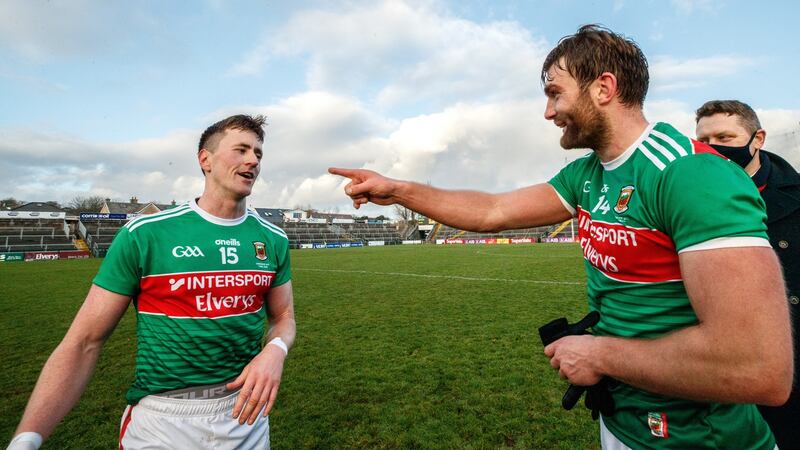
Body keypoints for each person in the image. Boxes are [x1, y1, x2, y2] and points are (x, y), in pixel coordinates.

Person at [329, 25, 792, 449]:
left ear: (604, 88)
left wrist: (601, 354)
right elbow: (494, 210)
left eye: (555, 93)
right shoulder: (586, 175)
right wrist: (398, 189)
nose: (548, 111)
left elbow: (757, 367)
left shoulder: (690, 174)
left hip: (700, 440)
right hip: (623, 423)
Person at [6, 114, 295, 450]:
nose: (252, 161)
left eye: (258, 153)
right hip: (163, 421)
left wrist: (275, 350)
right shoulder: (145, 234)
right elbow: (84, 341)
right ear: (206, 159)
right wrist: (26, 439)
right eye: (241, 150)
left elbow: (284, 317)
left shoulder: (273, 238)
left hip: (246, 417)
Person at [696, 100, 800, 450]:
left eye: (724, 136)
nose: (712, 148)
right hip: (720, 364)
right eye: (704, 140)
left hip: (787, 359)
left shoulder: (794, 195)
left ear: (758, 139)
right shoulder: (690, 196)